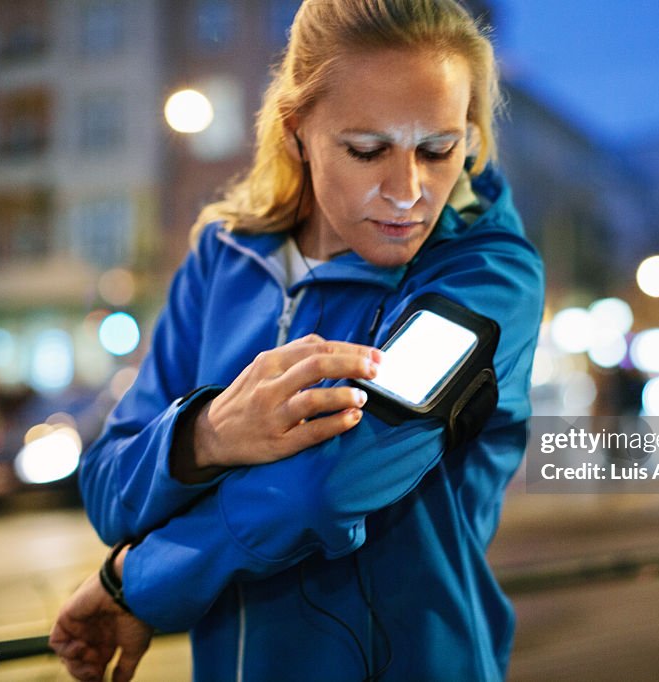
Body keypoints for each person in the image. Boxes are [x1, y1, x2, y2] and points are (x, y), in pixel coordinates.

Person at [49, 0, 544, 680]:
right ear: (296, 131)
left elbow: (330, 484)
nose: (408, 192)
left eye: (438, 149)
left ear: (472, 136)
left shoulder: (486, 276)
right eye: (367, 150)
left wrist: (137, 580)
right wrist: (210, 434)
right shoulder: (223, 258)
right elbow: (107, 487)